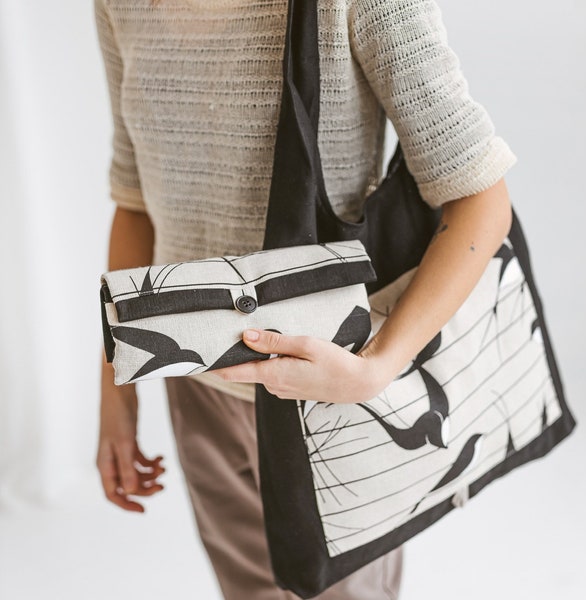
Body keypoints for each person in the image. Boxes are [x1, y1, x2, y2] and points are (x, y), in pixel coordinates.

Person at [94, 0, 517, 598]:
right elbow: (135, 199)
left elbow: (481, 199)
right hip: (194, 386)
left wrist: (378, 369)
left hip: (330, 393)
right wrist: (116, 393)